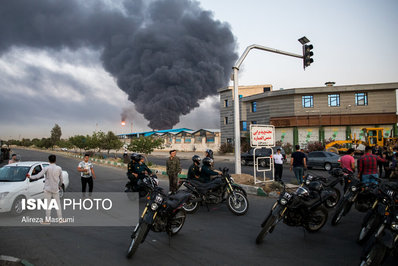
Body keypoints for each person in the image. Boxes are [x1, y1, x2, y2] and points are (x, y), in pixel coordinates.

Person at [29, 154, 63, 223]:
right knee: (58, 204)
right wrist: (59, 185)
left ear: (49, 160)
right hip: (55, 189)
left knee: (48, 205)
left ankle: (47, 220)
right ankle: (60, 219)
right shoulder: (59, 168)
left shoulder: (46, 168)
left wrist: (30, 177)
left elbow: (38, 176)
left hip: (47, 189)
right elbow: (61, 179)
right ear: (55, 160)